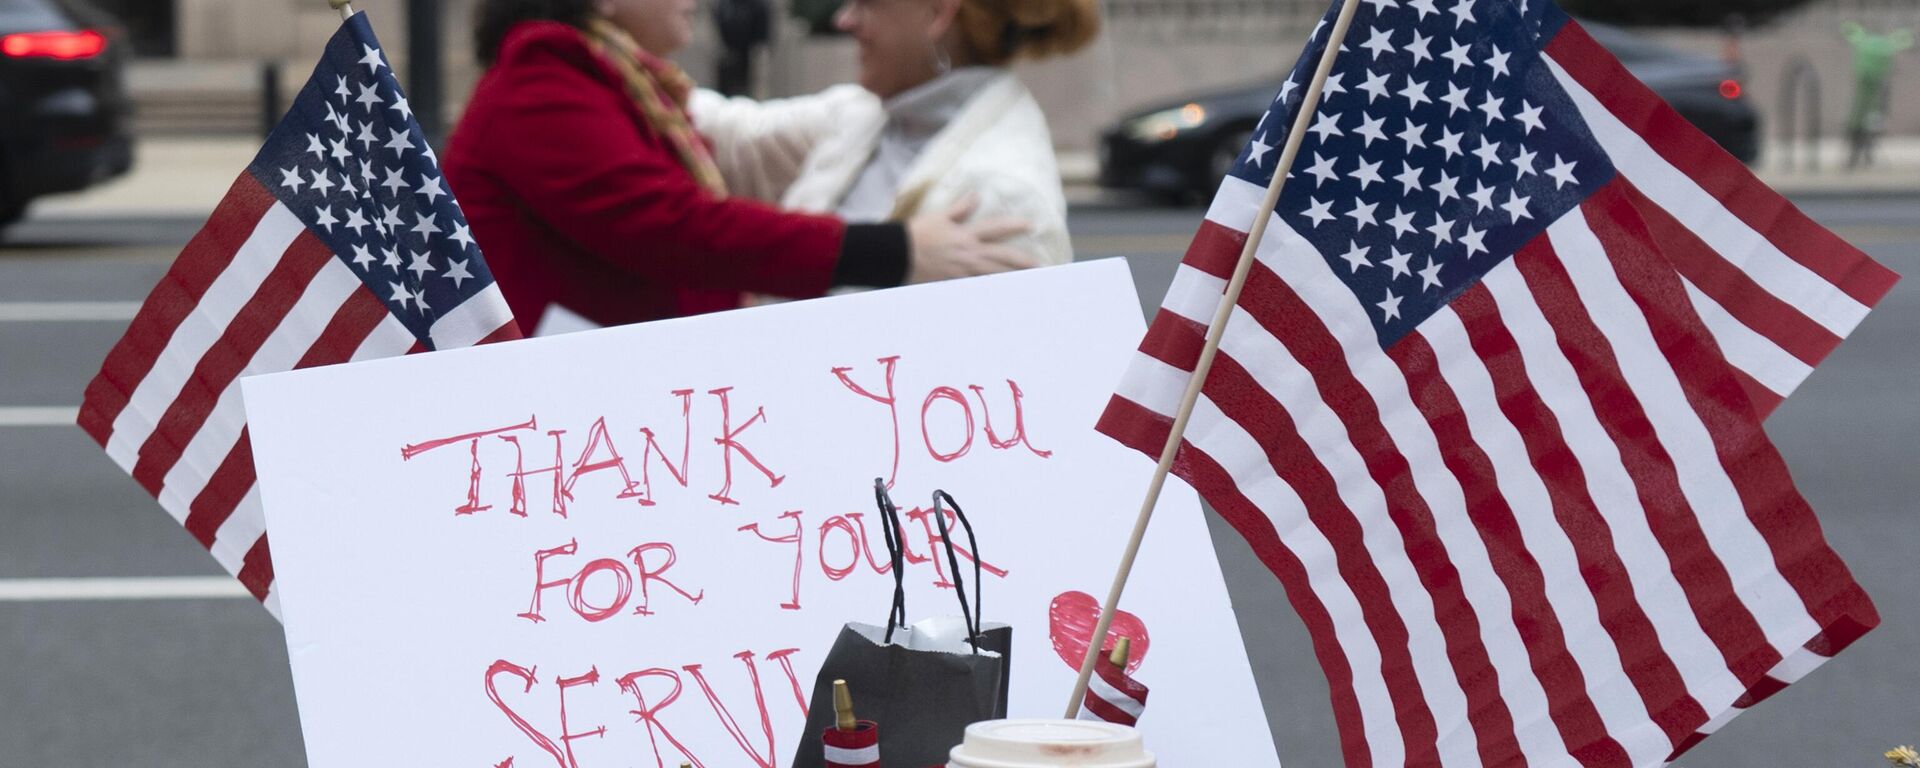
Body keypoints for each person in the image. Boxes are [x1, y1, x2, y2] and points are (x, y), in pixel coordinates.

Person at [443, 0, 1033, 333]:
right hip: (554, 419)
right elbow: (678, 227)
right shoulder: (541, 82)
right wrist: (895, 251)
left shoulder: (610, 82)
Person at [690, 0, 1099, 267]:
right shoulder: (871, 114)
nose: (844, 19)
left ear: (938, 14)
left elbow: (1006, 386)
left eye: (866, 4)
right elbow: (731, 134)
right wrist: (633, 63)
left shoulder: (1007, 194)